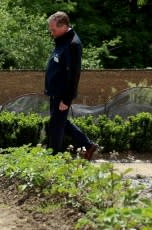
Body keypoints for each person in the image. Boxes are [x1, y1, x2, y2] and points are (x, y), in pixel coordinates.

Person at [44, 11, 98, 160]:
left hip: (62, 94)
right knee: (60, 122)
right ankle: (88, 145)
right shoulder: (62, 40)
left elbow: (74, 75)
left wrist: (66, 99)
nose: (51, 33)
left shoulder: (73, 44)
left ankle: (52, 159)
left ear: (63, 26)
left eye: (53, 30)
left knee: (56, 126)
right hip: (55, 91)